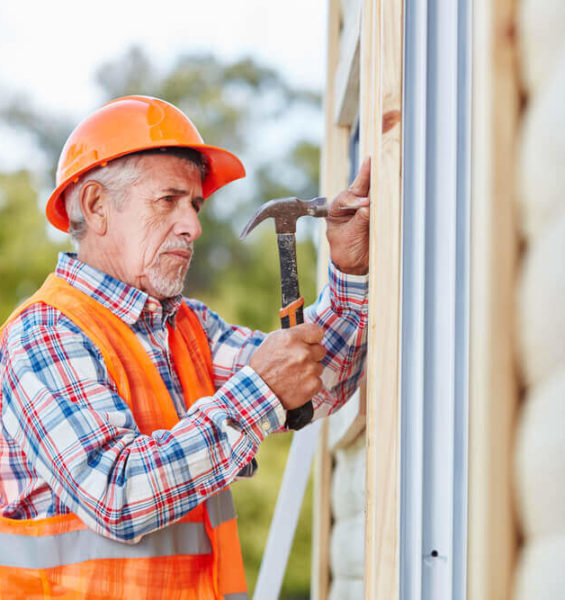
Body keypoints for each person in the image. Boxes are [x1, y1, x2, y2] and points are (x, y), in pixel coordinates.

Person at [0, 95, 370, 599]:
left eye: (194, 205)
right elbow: (116, 493)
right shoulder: (45, 332)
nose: (193, 226)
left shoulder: (188, 328)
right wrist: (261, 390)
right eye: (168, 200)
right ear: (95, 206)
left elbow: (317, 381)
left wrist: (349, 275)